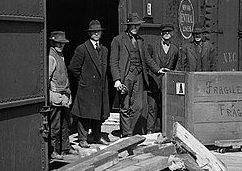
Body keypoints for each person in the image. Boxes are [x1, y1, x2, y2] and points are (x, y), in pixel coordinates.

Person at [110, 13, 167, 137]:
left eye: (137, 25)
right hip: (126, 76)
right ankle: (127, 134)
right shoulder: (118, 40)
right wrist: (117, 79)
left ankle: (127, 130)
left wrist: (158, 70)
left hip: (139, 76)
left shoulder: (140, 40)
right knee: (125, 106)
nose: (135, 27)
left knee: (139, 106)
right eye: (133, 25)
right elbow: (113, 61)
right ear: (129, 26)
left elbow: (147, 58)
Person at [68, 20, 110, 148]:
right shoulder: (82, 49)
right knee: (84, 114)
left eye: (98, 31)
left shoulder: (104, 49)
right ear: (89, 33)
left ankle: (96, 136)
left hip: (100, 86)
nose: (96, 34)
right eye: (94, 32)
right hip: (87, 87)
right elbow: (73, 68)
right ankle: (82, 138)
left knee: (99, 113)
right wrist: (83, 80)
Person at [146, 23, 181, 134]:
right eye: (165, 32)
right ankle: (150, 131)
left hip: (167, 83)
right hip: (154, 81)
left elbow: (176, 66)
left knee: (164, 108)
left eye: (169, 32)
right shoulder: (153, 45)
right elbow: (148, 60)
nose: (167, 34)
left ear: (172, 34)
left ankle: (163, 130)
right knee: (152, 107)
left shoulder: (175, 50)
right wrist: (155, 70)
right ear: (161, 34)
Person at [46, 31, 73, 160]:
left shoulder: (60, 56)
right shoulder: (51, 57)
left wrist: (69, 93)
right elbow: (47, 78)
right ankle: (53, 150)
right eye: (58, 43)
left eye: (62, 43)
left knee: (65, 124)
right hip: (56, 95)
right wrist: (50, 94)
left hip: (64, 95)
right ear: (52, 43)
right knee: (55, 125)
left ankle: (65, 148)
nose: (60, 45)